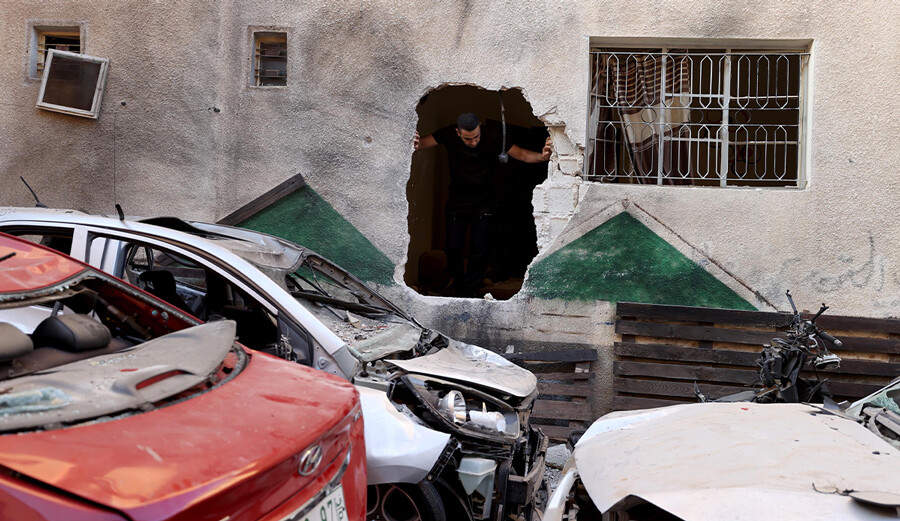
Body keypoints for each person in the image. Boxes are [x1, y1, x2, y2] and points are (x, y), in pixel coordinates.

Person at [414, 113, 552, 297]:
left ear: (480, 128)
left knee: (479, 251)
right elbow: (422, 143)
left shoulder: (493, 135)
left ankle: (470, 293)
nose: (473, 142)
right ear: (458, 132)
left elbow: (522, 154)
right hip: (457, 202)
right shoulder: (448, 134)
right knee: (453, 249)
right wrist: (414, 140)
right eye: (467, 139)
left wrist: (542, 157)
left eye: (476, 137)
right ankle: (458, 289)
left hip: (484, 203)